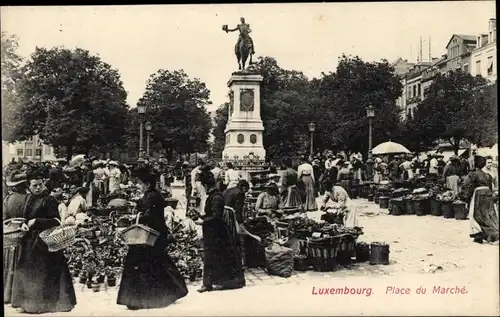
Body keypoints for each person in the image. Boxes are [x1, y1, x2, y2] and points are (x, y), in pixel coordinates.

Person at [117, 166, 188, 310]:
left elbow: (149, 215)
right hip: (152, 234)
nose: (139, 186)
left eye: (141, 184)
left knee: (146, 263)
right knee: (157, 263)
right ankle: (169, 291)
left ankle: (139, 298)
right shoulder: (152, 194)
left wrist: (135, 216)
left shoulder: (151, 195)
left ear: (147, 184)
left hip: (150, 235)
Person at [10, 169, 76, 313]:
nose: (38, 188)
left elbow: (57, 221)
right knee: (28, 270)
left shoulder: (49, 199)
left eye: (40, 184)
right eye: (35, 185)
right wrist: (25, 223)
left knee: (43, 272)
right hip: (29, 241)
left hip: (46, 241)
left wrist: (37, 221)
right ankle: (29, 303)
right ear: (29, 187)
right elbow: (26, 217)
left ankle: (43, 304)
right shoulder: (29, 199)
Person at [198, 166, 245, 293]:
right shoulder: (214, 195)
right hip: (212, 229)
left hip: (217, 231)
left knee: (213, 256)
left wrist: (202, 220)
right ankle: (209, 283)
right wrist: (202, 216)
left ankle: (211, 283)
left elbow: (216, 216)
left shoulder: (217, 197)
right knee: (213, 256)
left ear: (206, 186)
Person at [3, 171, 29, 304]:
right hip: (24, 234)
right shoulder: (29, 199)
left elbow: (4, 217)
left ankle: (6, 294)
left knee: (8, 266)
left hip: (8, 234)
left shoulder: (8, 198)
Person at [461, 155, 499, 244]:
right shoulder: (488, 175)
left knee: (476, 215)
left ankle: (486, 236)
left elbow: (468, 187)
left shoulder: (472, 174)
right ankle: (490, 235)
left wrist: (466, 198)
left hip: (478, 195)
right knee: (489, 215)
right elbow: (490, 188)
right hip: (488, 195)